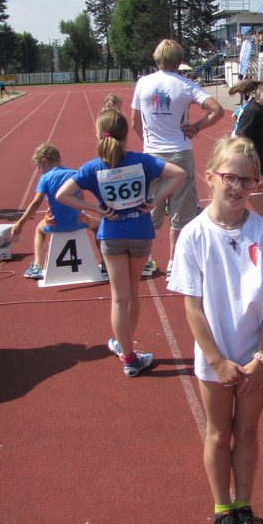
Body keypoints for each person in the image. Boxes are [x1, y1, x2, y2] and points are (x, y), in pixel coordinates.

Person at [168, 137, 263, 524]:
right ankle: (222, 508)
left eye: (246, 181)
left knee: (247, 433)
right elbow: (193, 307)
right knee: (219, 433)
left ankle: (245, 505)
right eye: (229, 177)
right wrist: (216, 360)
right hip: (213, 360)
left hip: (255, 359)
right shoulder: (193, 236)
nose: (236, 187)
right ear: (210, 176)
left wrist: (262, 355)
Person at [56, 109, 186, 377]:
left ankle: (126, 352)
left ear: (98, 135)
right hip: (140, 233)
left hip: (111, 235)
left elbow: (62, 195)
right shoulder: (143, 162)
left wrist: (96, 209)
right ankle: (127, 345)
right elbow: (180, 174)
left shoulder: (92, 167)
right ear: (127, 134)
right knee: (134, 294)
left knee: (119, 298)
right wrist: (156, 198)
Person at [131, 39, 224, 278]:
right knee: (181, 210)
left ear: (157, 57)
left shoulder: (143, 84)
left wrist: (149, 141)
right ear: (180, 61)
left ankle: (146, 259)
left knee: (150, 206)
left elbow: (135, 123)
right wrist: (196, 127)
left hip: (152, 154)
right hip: (180, 151)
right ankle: (174, 261)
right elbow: (217, 110)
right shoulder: (186, 85)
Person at [11, 144, 99, 280]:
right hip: (77, 222)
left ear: (45, 161)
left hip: (54, 225)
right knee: (98, 226)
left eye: (40, 167)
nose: (41, 171)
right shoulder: (74, 174)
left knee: (39, 231)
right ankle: (105, 263)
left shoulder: (45, 178)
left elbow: (36, 203)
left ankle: (37, 266)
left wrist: (20, 224)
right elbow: (81, 198)